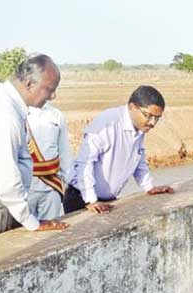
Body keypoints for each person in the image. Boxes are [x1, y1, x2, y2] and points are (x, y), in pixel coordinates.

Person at [0, 54, 68, 243]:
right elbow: (7, 179)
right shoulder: (7, 117)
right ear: (29, 83)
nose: (53, 96)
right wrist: (31, 222)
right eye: (49, 89)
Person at [64, 85, 173, 214]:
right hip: (82, 198)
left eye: (157, 118)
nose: (153, 123)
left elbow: (138, 158)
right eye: (148, 116)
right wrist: (91, 200)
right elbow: (85, 162)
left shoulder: (139, 128)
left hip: (107, 201)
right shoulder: (108, 123)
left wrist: (149, 187)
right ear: (132, 107)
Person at [26, 101, 72, 220]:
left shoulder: (55, 114)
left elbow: (64, 153)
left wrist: (71, 185)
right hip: (26, 188)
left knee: (52, 232)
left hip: (51, 186)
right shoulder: (19, 112)